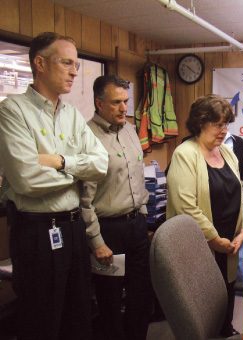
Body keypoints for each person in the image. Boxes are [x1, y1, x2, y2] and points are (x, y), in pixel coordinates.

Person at [0, 32, 108, 340]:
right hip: (36, 232)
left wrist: (60, 162)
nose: (75, 71)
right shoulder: (13, 111)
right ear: (40, 63)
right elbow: (26, 178)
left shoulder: (72, 114)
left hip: (72, 230)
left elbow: (100, 165)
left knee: (79, 317)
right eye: (67, 63)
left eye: (76, 64)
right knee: (42, 321)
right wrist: (78, 169)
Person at [166, 94, 243, 337]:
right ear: (201, 123)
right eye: (218, 124)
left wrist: (242, 230)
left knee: (226, 296)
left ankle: (225, 331)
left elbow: (240, 191)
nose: (224, 131)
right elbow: (186, 207)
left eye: (226, 124)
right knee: (203, 305)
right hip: (203, 246)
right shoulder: (185, 154)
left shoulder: (228, 154)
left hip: (228, 245)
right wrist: (214, 240)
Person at [81, 75, 151, 340]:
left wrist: (142, 216)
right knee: (109, 301)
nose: (124, 108)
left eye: (126, 101)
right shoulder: (86, 136)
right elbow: (83, 198)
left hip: (136, 226)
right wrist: (96, 241)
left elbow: (138, 177)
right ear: (99, 103)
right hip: (108, 231)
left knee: (141, 295)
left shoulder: (130, 129)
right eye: (116, 103)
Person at [223, 131, 243, 210]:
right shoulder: (191, 143)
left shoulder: (238, 142)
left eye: (225, 123)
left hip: (235, 198)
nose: (223, 128)